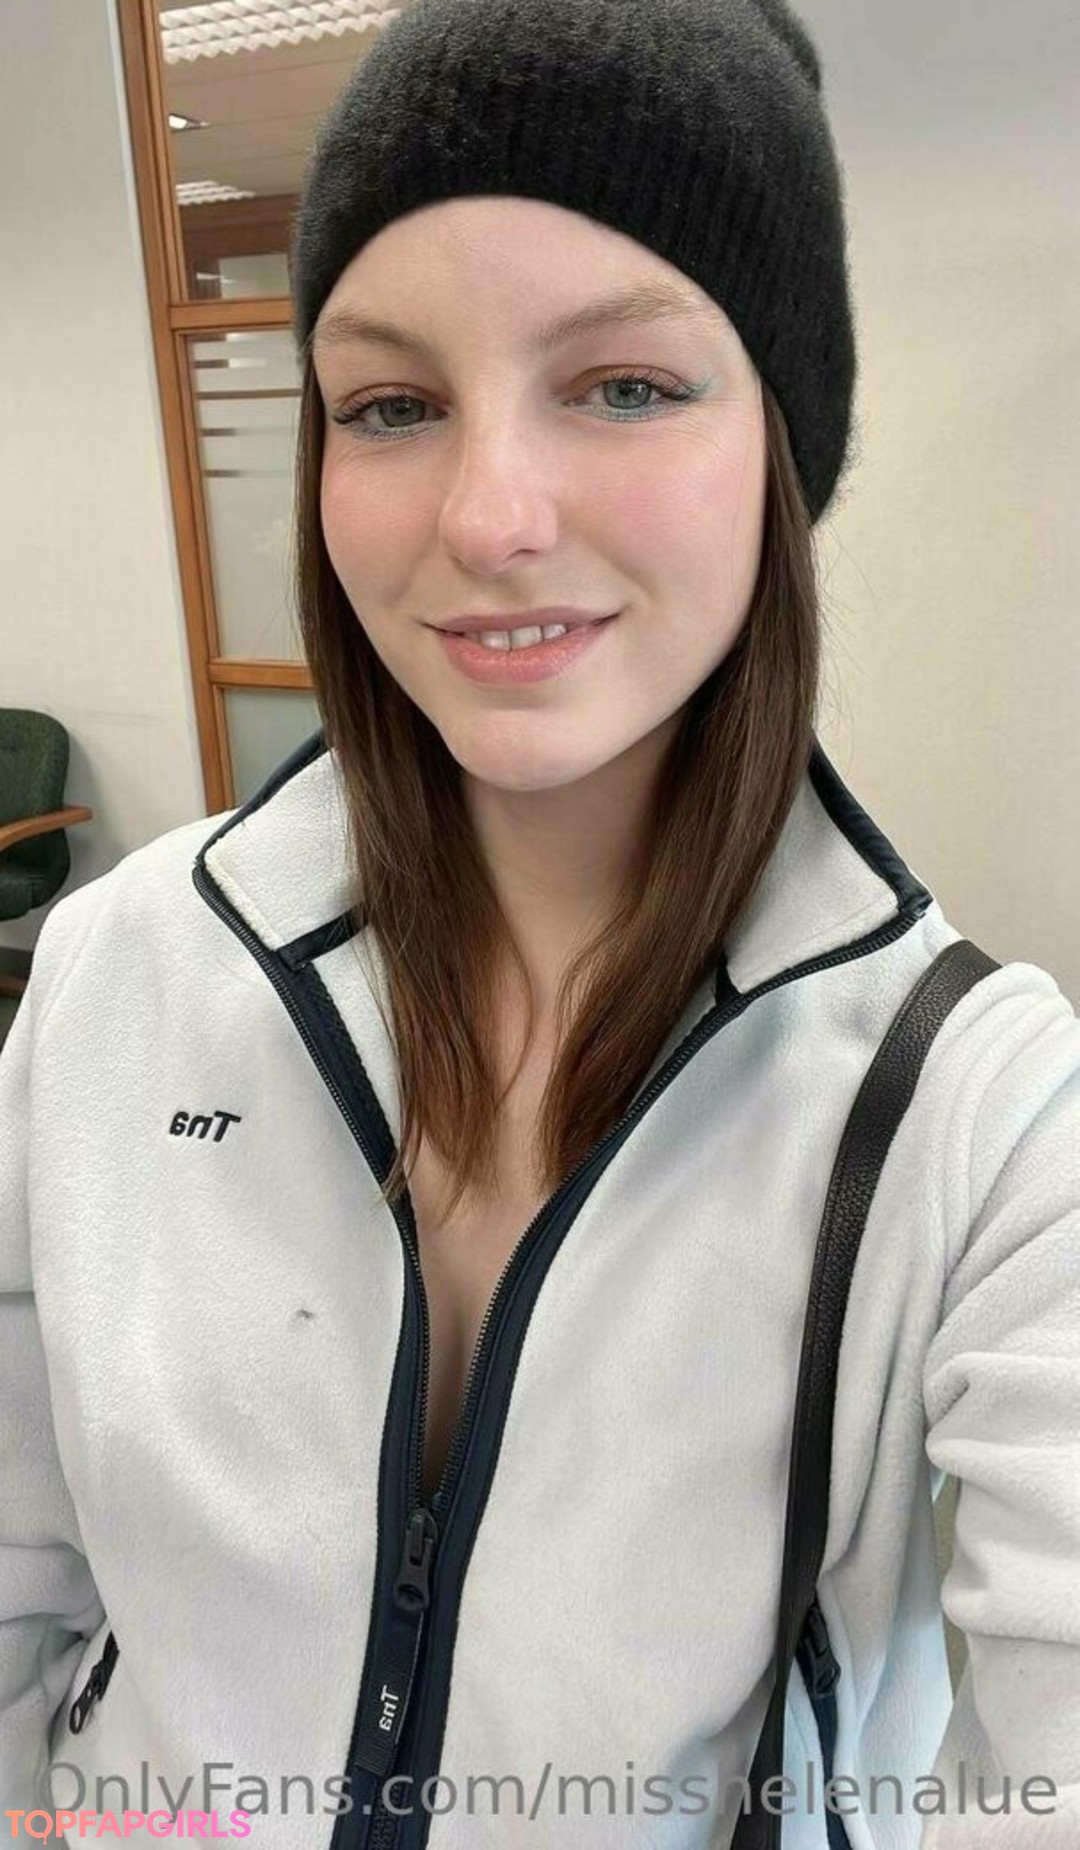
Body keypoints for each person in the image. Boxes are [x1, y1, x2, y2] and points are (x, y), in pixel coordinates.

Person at [2, 0, 1078, 1843]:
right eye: (392, 406)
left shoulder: (983, 1117)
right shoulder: (117, 976)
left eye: (626, 385)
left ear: (782, 448)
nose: (488, 517)